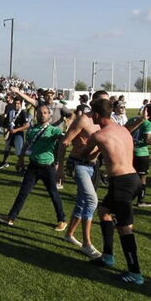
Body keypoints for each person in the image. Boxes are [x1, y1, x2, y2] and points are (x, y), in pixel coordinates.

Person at [82, 98, 145, 284]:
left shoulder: (98, 135)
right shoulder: (123, 129)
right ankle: (108, 256)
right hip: (133, 179)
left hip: (121, 184)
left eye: (90, 113)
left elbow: (85, 154)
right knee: (103, 211)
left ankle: (136, 273)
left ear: (95, 114)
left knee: (124, 229)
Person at [0, 105, 68, 232]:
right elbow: (26, 145)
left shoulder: (53, 130)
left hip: (48, 168)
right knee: (23, 193)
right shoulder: (32, 130)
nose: (42, 115)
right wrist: (20, 159)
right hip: (33, 166)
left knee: (53, 194)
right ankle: (11, 217)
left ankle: (62, 220)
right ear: (36, 115)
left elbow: (65, 140)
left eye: (45, 113)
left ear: (49, 115)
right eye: (40, 113)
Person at [60, 94, 107, 259]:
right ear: (94, 102)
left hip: (93, 166)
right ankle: (87, 244)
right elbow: (64, 142)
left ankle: (69, 234)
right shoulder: (83, 120)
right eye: (103, 100)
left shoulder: (105, 121)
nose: (106, 103)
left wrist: (140, 120)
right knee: (92, 200)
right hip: (78, 164)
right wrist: (59, 169)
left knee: (82, 201)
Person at [0, 97, 29, 170]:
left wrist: (16, 130)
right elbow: (7, 122)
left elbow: (27, 125)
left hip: (18, 133)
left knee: (19, 151)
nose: (16, 105)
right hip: (11, 133)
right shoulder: (11, 112)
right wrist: (6, 130)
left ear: (20, 104)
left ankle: (22, 167)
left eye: (18, 103)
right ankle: (4, 162)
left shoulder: (23, 112)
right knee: (7, 148)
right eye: (15, 103)